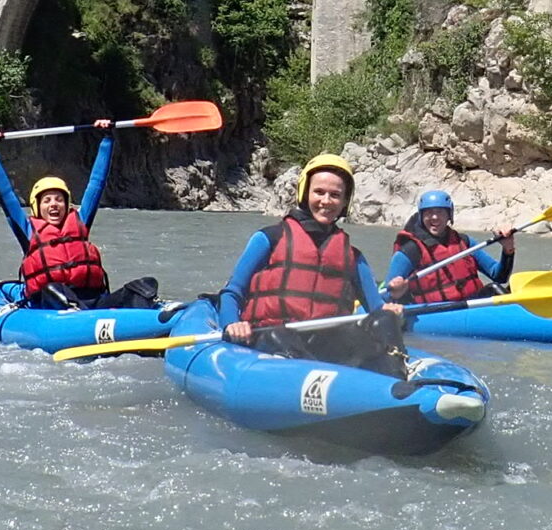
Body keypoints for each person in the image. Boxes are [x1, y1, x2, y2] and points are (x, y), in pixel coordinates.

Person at [219, 152, 406, 374]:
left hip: (326, 344)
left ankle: (399, 379)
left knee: (385, 320)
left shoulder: (352, 256)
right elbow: (232, 292)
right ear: (305, 192)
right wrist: (232, 323)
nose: (326, 201)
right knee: (279, 335)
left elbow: (377, 308)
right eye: (319, 192)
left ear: (345, 201)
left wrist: (392, 309)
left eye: (335, 195)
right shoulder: (269, 238)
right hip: (270, 337)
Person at [0, 121, 154, 308]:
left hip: (94, 300)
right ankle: (74, 312)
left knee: (144, 285)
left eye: (59, 199)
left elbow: (96, 183)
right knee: (53, 289)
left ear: (67, 204)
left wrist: (107, 139)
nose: (54, 204)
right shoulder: (28, 230)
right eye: (47, 200)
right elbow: (6, 194)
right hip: (54, 303)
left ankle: (154, 315)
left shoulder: (80, 221)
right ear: (37, 206)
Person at [385, 188, 515, 306]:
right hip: (437, 314)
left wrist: (508, 249)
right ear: (421, 216)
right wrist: (395, 293)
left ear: (449, 215)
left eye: (440, 212)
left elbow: (500, 276)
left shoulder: (464, 242)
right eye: (429, 212)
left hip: (471, 307)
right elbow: (385, 296)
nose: (434, 217)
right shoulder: (410, 251)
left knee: (506, 288)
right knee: (495, 290)